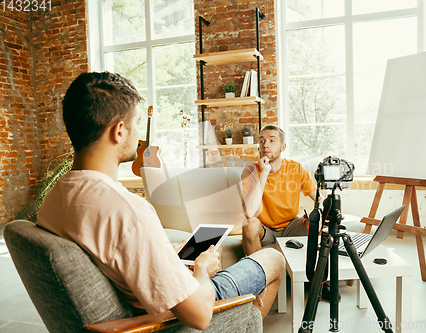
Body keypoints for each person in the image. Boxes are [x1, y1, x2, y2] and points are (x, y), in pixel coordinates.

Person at [36, 72, 284, 330]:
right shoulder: (129, 210)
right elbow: (198, 315)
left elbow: (116, 250)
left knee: (190, 249)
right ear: (119, 131)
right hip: (173, 316)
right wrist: (202, 269)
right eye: (136, 123)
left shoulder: (55, 197)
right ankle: (240, 324)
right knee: (272, 259)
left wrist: (165, 253)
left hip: (143, 297)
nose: (138, 136)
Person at [241, 125, 321, 256]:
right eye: (262, 141)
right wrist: (264, 173)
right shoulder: (250, 171)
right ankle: (259, 273)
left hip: (292, 225)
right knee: (248, 224)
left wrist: (317, 212)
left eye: (272, 140)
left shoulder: (295, 168)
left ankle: (314, 274)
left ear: (283, 147)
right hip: (265, 229)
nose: (266, 145)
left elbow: (320, 199)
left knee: (317, 220)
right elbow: (249, 212)